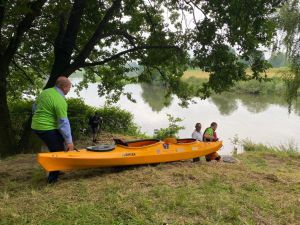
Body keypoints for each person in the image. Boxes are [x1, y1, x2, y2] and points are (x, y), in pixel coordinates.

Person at [31, 76, 74, 183]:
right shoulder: (60, 100)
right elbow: (63, 123)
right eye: (69, 87)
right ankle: (52, 179)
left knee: (59, 141)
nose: (69, 89)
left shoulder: (46, 92)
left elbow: (34, 107)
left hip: (36, 125)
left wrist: (39, 117)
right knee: (58, 151)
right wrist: (70, 142)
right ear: (64, 87)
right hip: (45, 128)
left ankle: (56, 169)